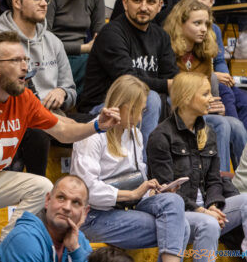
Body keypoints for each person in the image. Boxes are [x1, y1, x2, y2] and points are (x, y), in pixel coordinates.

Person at [0, 30, 120, 239]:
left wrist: (97, 126)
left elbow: (63, 132)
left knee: (42, 186)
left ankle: (8, 244)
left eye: (25, 59)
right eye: (16, 60)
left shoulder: (25, 99)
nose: (25, 67)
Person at [71, 75, 189, 262]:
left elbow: (136, 180)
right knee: (180, 227)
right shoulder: (91, 134)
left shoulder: (134, 134)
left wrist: (152, 192)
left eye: (142, 111)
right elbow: (86, 192)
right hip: (92, 216)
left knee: (173, 201)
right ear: (119, 105)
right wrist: (132, 194)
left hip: (125, 209)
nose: (140, 118)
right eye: (135, 110)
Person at [78, 0, 178, 160]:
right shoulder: (112, 33)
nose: (143, 7)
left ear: (160, 6)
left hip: (140, 110)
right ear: (125, 3)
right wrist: (168, 85)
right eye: (137, 0)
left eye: (150, 2)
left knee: (219, 122)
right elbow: (128, 80)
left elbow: (173, 76)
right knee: (150, 99)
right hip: (103, 108)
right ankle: (145, 168)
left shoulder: (161, 36)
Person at [147, 72, 247, 261]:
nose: (212, 99)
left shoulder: (208, 132)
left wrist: (213, 204)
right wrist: (202, 211)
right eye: (206, 94)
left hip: (207, 208)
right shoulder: (161, 136)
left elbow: (214, 180)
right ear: (186, 98)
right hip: (179, 212)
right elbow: (168, 190)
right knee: (209, 224)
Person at [0, 0, 76, 176]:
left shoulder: (53, 41)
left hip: (54, 115)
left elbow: (71, 90)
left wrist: (62, 93)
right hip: (19, 120)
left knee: (97, 125)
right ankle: (40, 194)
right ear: (17, 2)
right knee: (37, 130)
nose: (44, 3)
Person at [164, 0, 247, 172]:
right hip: (178, 115)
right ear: (180, 24)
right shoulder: (168, 51)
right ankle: (221, 181)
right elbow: (174, 94)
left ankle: (242, 182)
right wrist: (207, 107)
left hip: (203, 112)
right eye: (197, 23)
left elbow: (208, 94)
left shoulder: (204, 53)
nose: (203, 28)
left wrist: (218, 108)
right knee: (220, 124)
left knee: (236, 125)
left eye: (206, 24)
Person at [181, 0, 247, 131]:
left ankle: (242, 147)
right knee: (226, 94)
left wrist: (225, 77)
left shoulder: (215, 29)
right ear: (183, 1)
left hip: (215, 78)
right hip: (197, 82)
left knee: (244, 100)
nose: (198, 1)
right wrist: (215, 76)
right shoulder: (180, 28)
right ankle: (234, 133)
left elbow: (219, 61)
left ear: (211, 2)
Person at [46, 0, 105, 95]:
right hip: (54, 59)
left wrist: (94, 46)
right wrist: (83, 48)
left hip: (83, 58)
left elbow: (101, 34)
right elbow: (44, 41)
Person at [0, 175, 92, 262]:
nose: (67, 207)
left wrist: (75, 250)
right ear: (47, 200)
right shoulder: (25, 239)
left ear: (85, 212)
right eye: (61, 198)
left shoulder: (79, 241)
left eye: (76, 202)